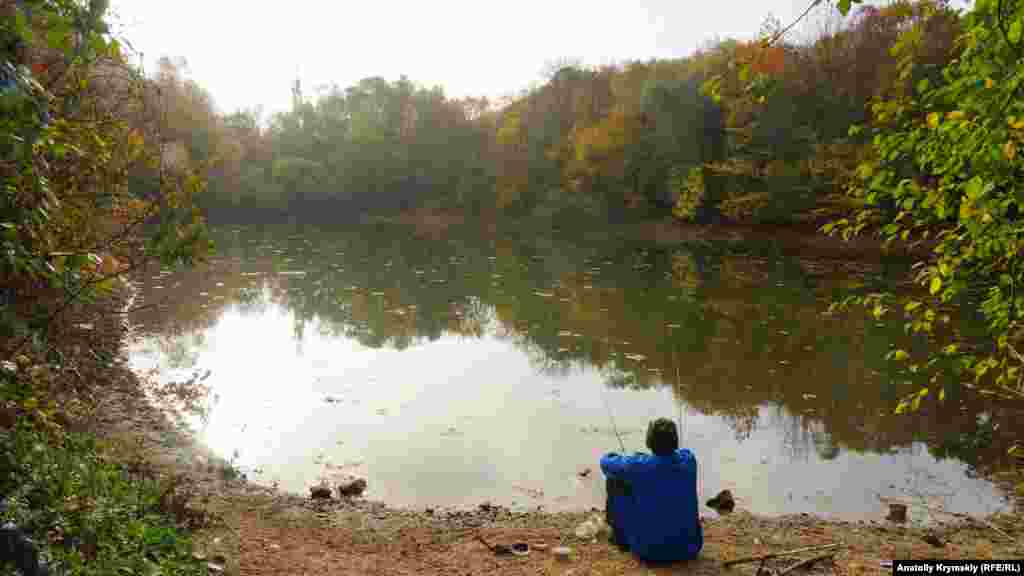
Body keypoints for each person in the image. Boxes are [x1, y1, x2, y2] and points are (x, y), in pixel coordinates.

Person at [599, 418, 703, 563]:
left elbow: (605, 462)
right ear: (675, 440)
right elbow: (677, 455)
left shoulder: (637, 465)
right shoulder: (689, 460)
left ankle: (619, 537)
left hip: (649, 551)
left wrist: (628, 458)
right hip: (690, 548)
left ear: (649, 442)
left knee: (614, 480)